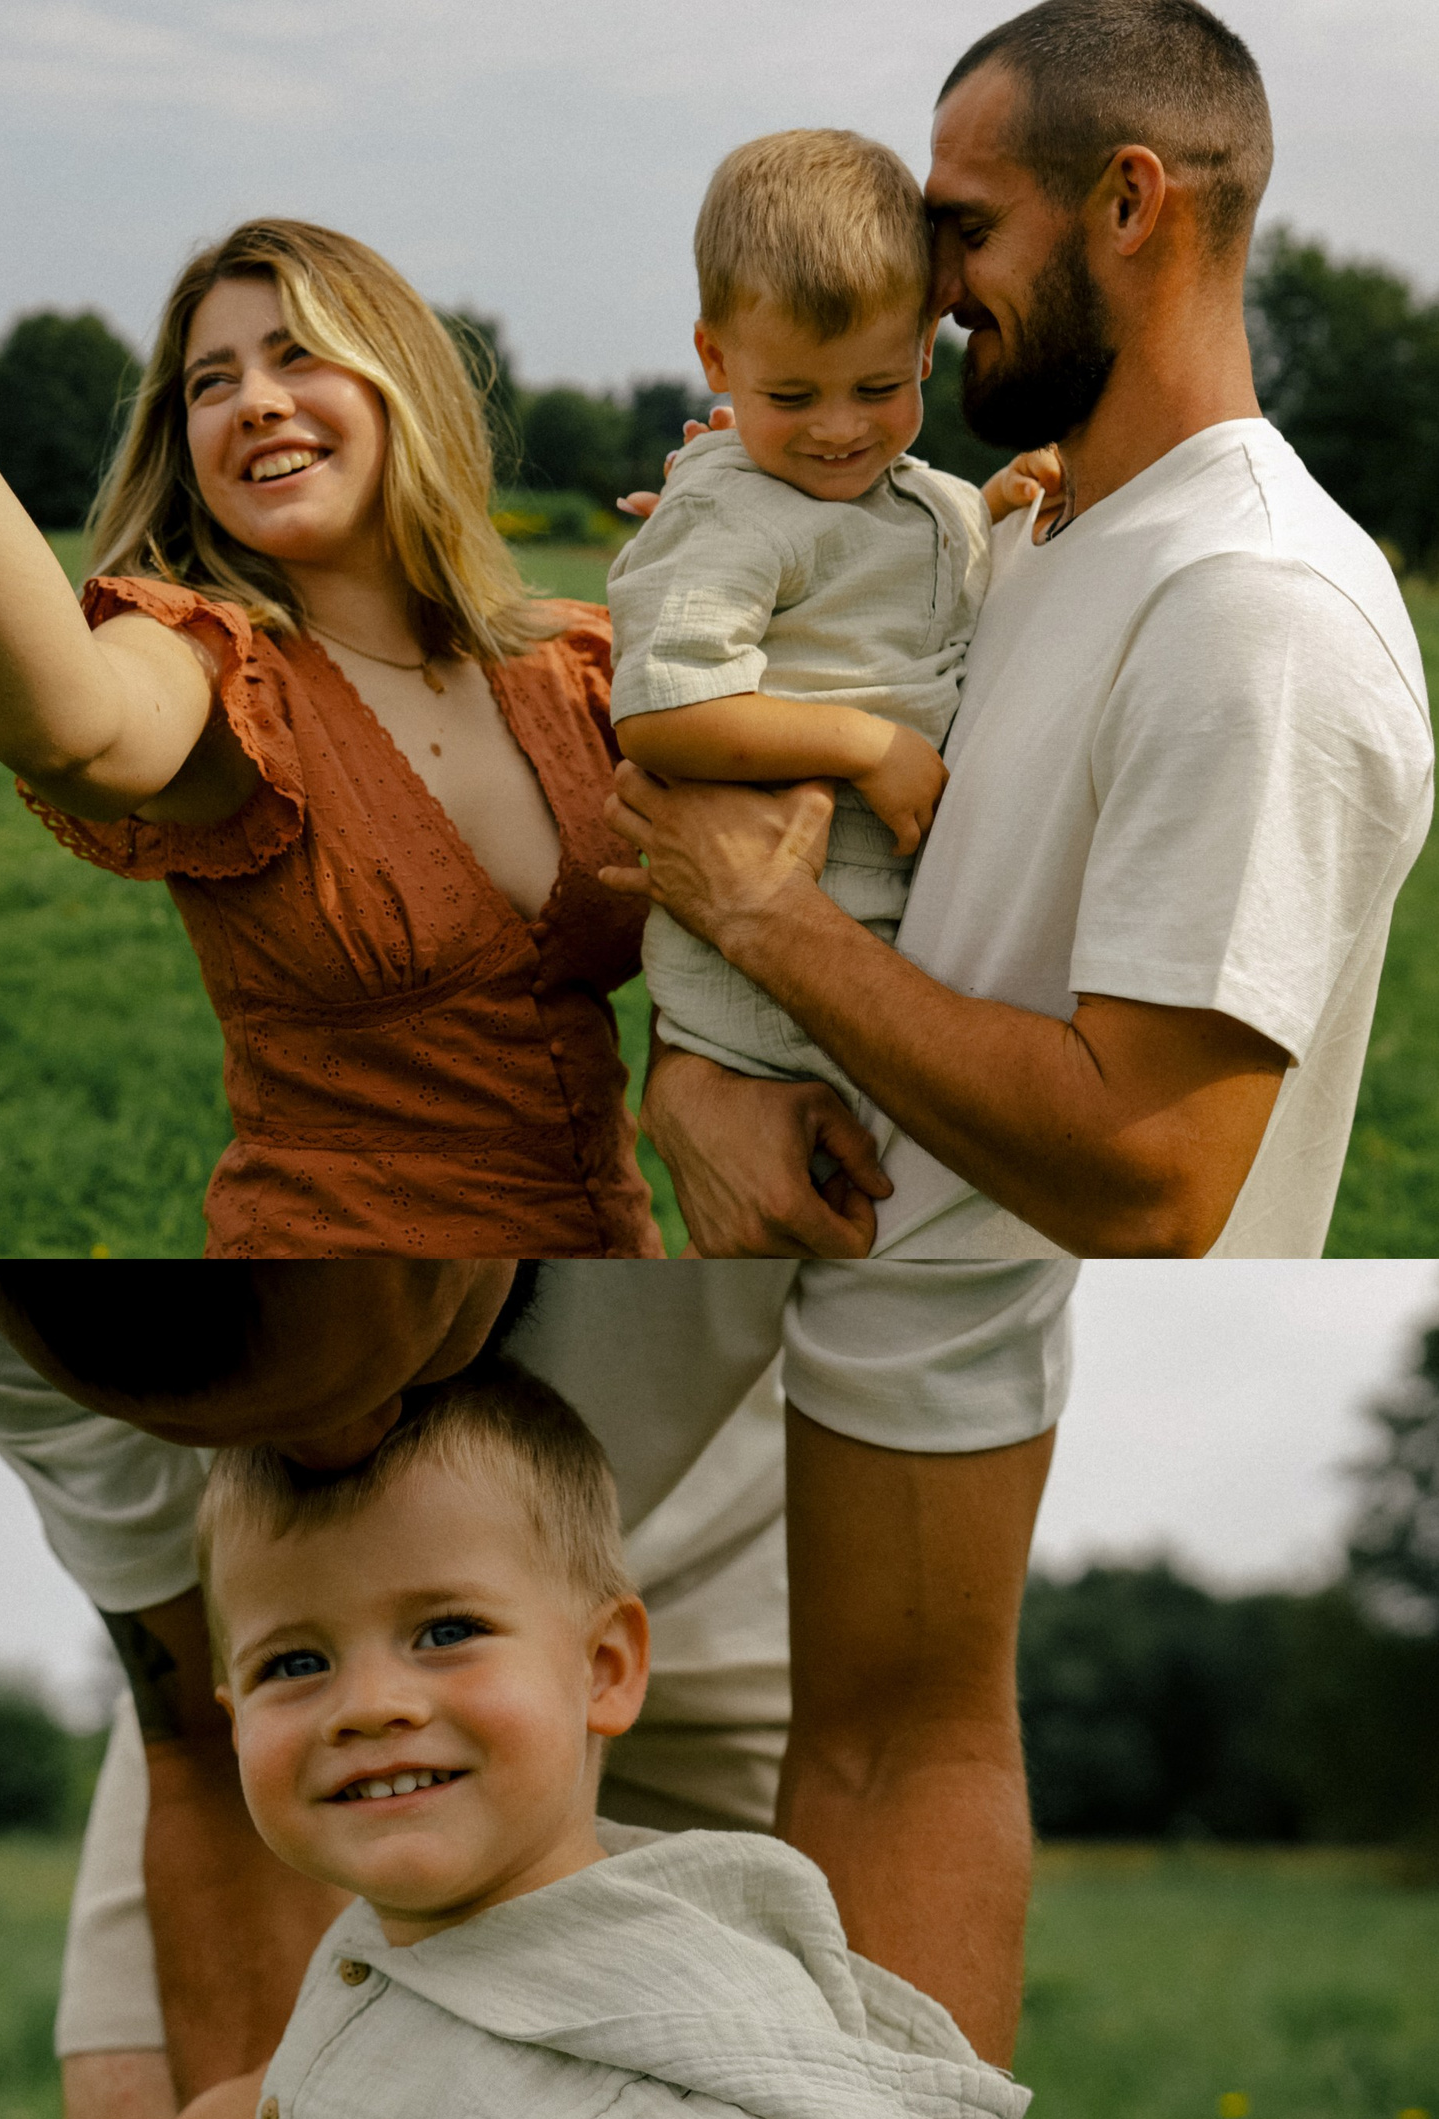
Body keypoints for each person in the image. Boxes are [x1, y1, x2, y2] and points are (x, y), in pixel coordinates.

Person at [0, 88, 662, 1258]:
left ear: (402, 385)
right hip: (336, 1329)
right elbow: (66, 726)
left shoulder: (578, 666)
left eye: (296, 354)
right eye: (209, 381)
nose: (254, 398)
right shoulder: (209, 660)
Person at [0, 1256, 1070, 2119]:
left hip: (798, 1529)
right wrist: (293, 2115)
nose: (338, 1461)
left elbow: (905, 1732)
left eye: (347, 1384)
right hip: (279, 1589)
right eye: (226, 1421)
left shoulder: (880, 1142)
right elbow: (196, 1742)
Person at [615, 0, 1435, 1263]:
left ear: (1125, 204)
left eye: (970, 231)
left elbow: (1146, 1185)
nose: (932, 291)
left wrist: (759, 916)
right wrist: (690, 1087)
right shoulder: (999, 538)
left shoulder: (1256, 608)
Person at [187, 1364, 1026, 2119]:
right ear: (235, 1724)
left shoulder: (659, 2114)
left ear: (603, 1669)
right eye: (294, 1661)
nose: (368, 1706)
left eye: (445, 1633)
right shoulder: (379, 1941)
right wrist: (292, 2104)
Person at [608, 128, 1054, 1124]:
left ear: (921, 352)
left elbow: (875, 581)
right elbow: (660, 715)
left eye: (876, 388)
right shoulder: (728, 509)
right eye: (790, 395)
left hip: (870, 950)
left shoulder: (911, 496)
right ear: (715, 358)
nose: (838, 428)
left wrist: (981, 512)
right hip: (762, 1006)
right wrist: (864, 745)